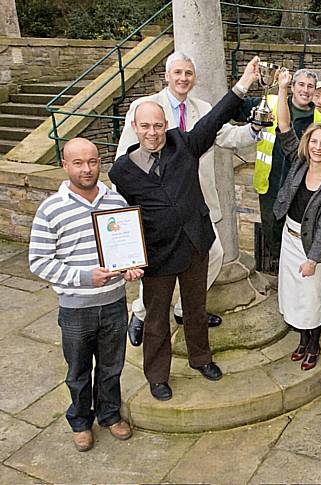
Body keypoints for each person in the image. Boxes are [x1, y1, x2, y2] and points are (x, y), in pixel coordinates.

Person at [109, 57, 260, 401]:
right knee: (157, 319)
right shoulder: (122, 172)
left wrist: (244, 84)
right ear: (135, 126)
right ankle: (157, 375)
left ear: (166, 126)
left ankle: (200, 358)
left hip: (195, 245)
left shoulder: (185, 146)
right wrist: (126, 259)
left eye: (158, 126)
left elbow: (215, 118)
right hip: (158, 254)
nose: (152, 133)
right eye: (145, 126)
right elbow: (119, 219)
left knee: (195, 308)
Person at [29, 138, 144, 452]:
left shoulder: (115, 202)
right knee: (78, 370)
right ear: (64, 165)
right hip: (76, 307)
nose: (87, 169)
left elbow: (127, 252)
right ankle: (80, 421)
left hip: (114, 303)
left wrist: (131, 268)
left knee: (112, 366)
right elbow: (38, 260)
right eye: (78, 163)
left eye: (92, 161)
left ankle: (109, 414)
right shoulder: (51, 209)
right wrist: (83, 276)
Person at [272, 69, 321, 371]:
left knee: (311, 299)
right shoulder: (299, 163)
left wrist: (314, 259)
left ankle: (314, 344)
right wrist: (283, 88)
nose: (318, 147)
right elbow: (285, 126)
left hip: (311, 246)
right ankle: (301, 341)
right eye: (314, 142)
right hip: (289, 238)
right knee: (293, 295)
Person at [237, 69, 321, 265]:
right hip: (270, 187)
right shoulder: (270, 103)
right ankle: (278, 272)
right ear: (292, 87)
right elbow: (235, 108)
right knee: (272, 235)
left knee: (298, 238)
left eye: (310, 86)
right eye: (301, 85)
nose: (305, 90)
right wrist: (246, 81)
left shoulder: (320, 122)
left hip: (300, 193)